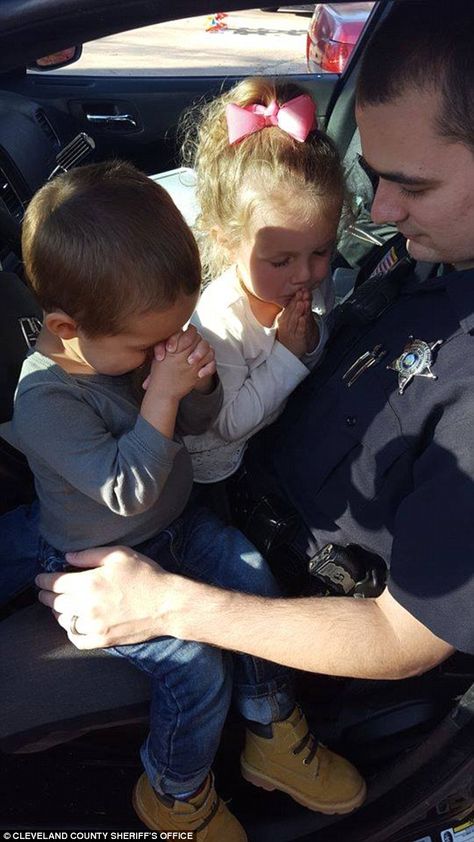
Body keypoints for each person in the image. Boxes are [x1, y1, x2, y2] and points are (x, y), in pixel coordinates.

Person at [38, 0, 474, 742]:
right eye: (374, 178)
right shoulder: (430, 256)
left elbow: (405, 639)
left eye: (415, 186)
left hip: (290, 595)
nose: (385, 208)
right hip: (223, 495)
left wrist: (164, 603)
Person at [4, 160, 365, 838]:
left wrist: (194, 386)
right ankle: (174, 792)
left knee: (253, 583)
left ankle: (272, 732)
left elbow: (195, 430)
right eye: (144, 345)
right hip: (99, 558)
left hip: (178, 522)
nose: (155, 356)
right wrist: (164, 391)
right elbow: (127, 490)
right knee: (195, 669)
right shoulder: (44, 400)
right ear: (65, 326)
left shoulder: (127, 349)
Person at [181, 78, 343, 485]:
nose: (306, 274)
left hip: (279, 431)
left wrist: (308, 340)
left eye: (321, 252)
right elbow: (229, 423)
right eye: (281, 260)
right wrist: (289, 350)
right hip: (222, 466)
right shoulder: (221, 321)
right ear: (228, 241)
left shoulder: (303, 281)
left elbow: (320, 338)